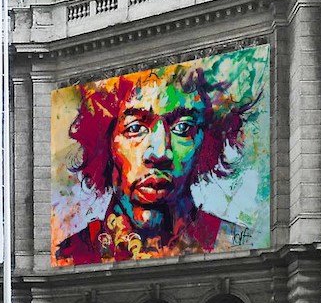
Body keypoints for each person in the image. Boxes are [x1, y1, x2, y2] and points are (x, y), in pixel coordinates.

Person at [54, 56, 264, 266]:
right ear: (104, 143)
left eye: (182, 128)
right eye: (135, 128)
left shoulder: (234, 242)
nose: (161, 153)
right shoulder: (71, 253)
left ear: (206, 142)